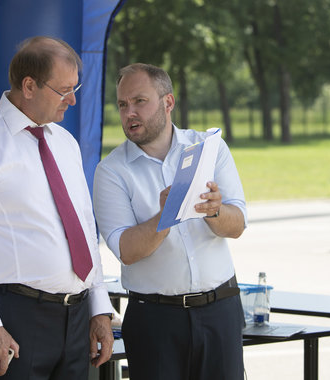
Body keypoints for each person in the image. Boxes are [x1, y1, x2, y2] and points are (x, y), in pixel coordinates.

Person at [0, 36, 114, 379]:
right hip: (14, 318)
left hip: (76, 318)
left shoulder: (65, 143)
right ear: (29, 86)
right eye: (64, 90)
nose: (73, 100)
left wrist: (99, 309)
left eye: (75, 87)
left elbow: (84, 231)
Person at [93, 63, 247, 380]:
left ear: (168, 102)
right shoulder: (111, 171)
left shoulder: (209, 148)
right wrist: (166, 216)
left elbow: (237, 225)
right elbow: (126, 250)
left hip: (220, 309)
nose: (129, 113)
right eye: (122, 104)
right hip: (154, 319)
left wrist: (215, 210)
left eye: (139, 101)